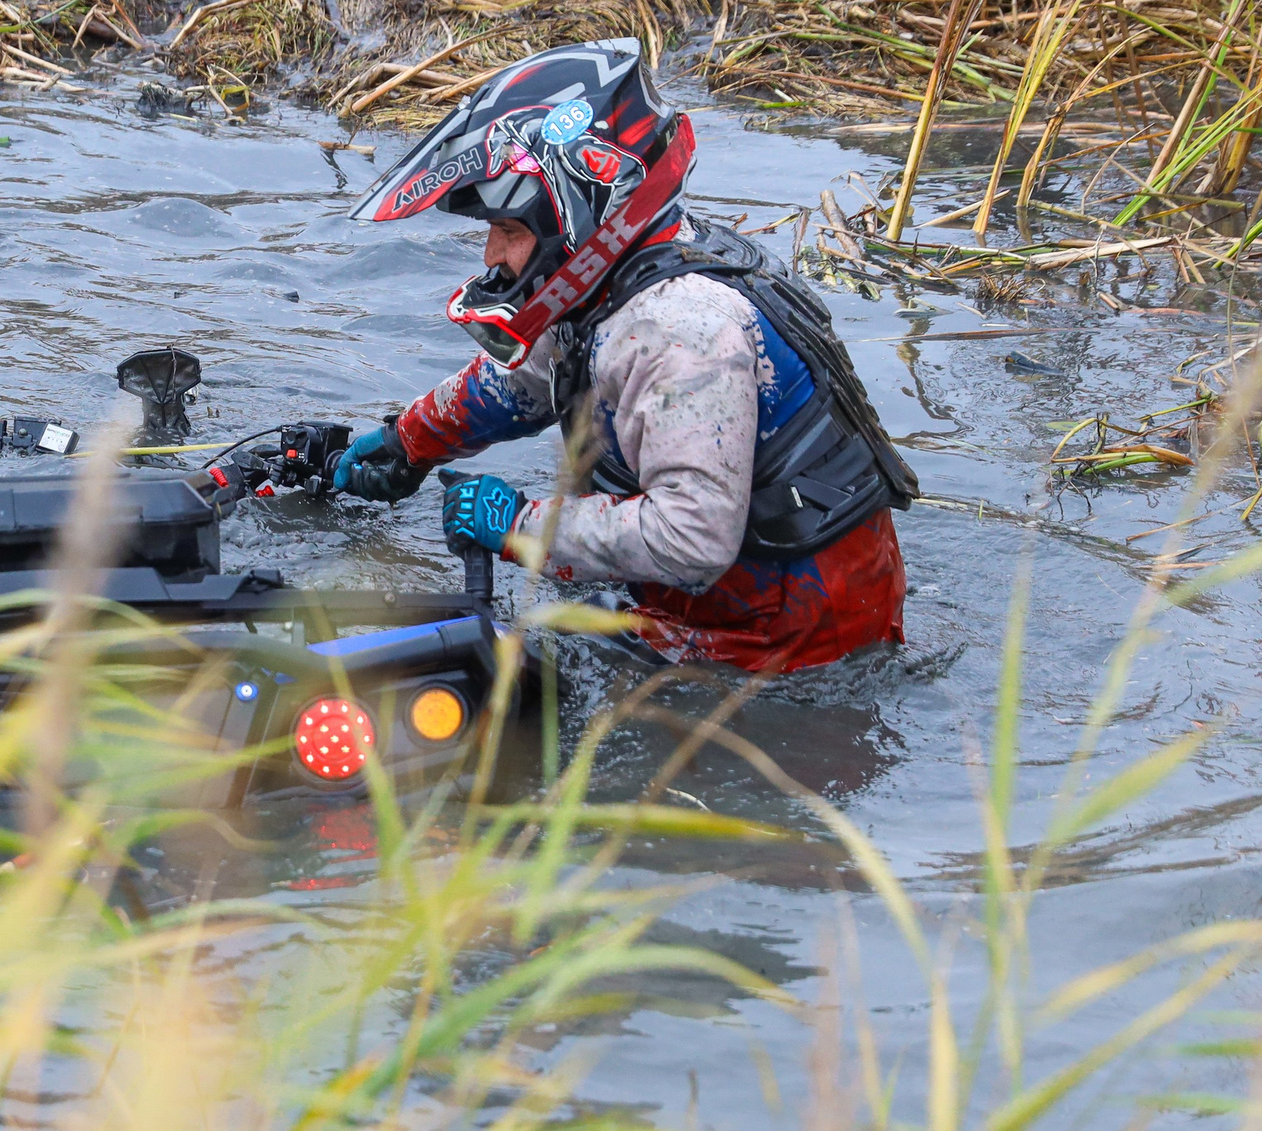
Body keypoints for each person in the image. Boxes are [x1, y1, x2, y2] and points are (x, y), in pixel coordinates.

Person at [330, 39, 918, 673]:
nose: (490, 257)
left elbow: (692, 535)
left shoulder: (682, 330)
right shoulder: (625, 272)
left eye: (509, 231)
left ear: (582, 215)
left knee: (513, 694)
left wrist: (521, 526)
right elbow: (529, 382)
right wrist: (408, 441)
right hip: (726, 608)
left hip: (786, 654)